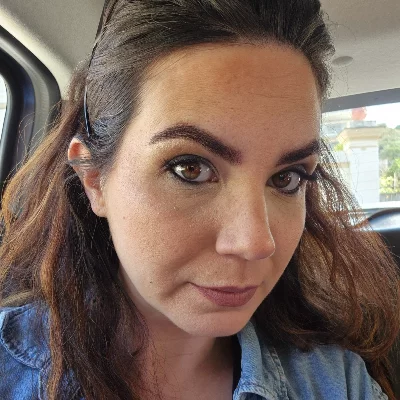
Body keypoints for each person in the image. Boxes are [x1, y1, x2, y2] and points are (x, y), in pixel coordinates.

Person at [0, 0, 399, 399]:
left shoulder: (336, 381)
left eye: (287, 178)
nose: (255, 244)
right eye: (190, 169)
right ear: (93, 179)